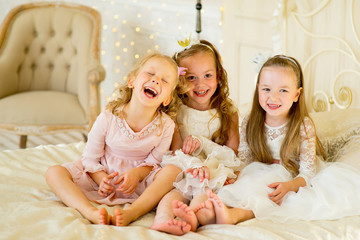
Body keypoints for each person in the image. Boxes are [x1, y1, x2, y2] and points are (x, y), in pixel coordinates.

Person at [201, 55, 360, 225]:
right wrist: (238, 175)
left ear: (297, 94)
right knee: (234, 188)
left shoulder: (303, 126)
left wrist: (290, 186)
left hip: (290, 176)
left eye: (283, 90)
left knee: (265, 195)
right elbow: (245, 159)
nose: (273, 98)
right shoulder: (250, 120)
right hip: (259, 170)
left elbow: (308, 173)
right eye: (266, 89)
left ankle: (235, 216)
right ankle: (203, 214)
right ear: (258, 89)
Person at [45, 53, 182, 226]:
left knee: (173, 171)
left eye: (164, 80)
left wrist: (136, 175)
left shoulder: (166, 125)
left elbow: (155, 161)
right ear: (132, 81)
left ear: (167, 99)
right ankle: (90, 212)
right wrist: (101, 179)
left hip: (140, 182)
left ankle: (134, 211)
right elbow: (90, 157)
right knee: (54, 172)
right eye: (150, 74)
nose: (156, 81)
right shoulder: (108, 117)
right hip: (102, 174)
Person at [150, 39, 240, 235]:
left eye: (207, 75)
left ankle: (190, 216)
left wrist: (204, 147)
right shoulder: (175, 111)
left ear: (218, 76)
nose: (200, 84)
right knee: (172, 196)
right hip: (184, 167)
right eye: (191, 77)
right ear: (179, 80)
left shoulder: (228, 112)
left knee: (203, 196)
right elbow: (175, 151)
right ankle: (162, 219)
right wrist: (193, 165)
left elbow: (232, 154)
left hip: (212, 171)